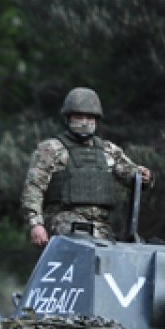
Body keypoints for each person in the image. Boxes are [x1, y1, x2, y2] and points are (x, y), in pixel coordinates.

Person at [21, 87, 153, 247]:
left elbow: (131, 174)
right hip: (64, 221)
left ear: (96, 120)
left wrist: (144, 176)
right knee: (82, 243)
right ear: (68, 118)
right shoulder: (51, 149)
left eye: (89, 117)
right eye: (79, 116)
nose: (84, 122)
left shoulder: (108, 150)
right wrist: (36, 224)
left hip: (101, 226)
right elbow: (33, 188)